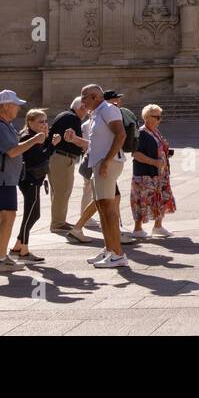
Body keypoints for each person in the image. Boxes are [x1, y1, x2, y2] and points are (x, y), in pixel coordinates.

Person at [0, 90, 48, 273]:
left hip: (4, 178)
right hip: (1, 179)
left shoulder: (4, 124)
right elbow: (13, 151)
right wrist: (35, 139)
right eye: (16, 105)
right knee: (6, 216)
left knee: (1, 216)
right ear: (6, 106)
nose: (18, 108)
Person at [84, 84, 129, 268]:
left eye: (85, 97)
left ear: (95, 96)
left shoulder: (108, 110)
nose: (83, 100)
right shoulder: (97, 112)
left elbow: (121, 134)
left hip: (107, 163)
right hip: (100, 163)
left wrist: (107, 161)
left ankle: (118, 254)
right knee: (102, 206)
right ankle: (110, 249)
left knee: (108, 209)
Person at [10, 108, 59, 263]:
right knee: (32, 214)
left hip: (33, 179)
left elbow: (41, 154)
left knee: (33, 213)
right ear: (30, 122)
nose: (44, 124)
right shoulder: (28, 137)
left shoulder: (35, 136)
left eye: (45, 121)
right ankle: (24, 251)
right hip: (29, 180)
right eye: (40, 121)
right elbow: (41, 157)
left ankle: (18, 245)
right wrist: (52, 144)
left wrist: (46, 139)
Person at [129, 104, 176, 239]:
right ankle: (137, 229)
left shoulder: (155, 131)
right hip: (145, 174)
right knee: (142, 199)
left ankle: (158, 226)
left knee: (160, 199)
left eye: (160, 117)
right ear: (147, 118)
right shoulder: (142, 133)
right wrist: (154, 162)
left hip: (160, 174)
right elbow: (136, 154)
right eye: (157, 117)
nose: (159, 120)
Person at [47, 95, 90, 235]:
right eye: (86, 109)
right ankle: (57, 223)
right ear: (81, 108)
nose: (87, 113)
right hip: (62, 158)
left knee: (59, 191)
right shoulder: (72, 118)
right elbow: (72, 140)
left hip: (58, 157)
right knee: (62, 191)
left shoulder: (65, 115)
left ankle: (59, 220)